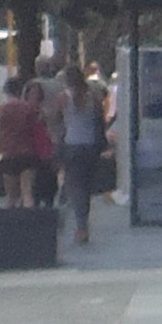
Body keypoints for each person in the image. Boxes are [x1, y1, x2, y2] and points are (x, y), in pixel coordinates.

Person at [56, 60, 110, 245]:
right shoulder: (93, 97)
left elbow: (57, 121)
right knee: (85, 187)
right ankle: (82, 223)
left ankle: (80, 226)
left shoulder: (64, 97)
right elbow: (100, 121)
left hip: (72, 145)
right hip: (90, 146)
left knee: (75, 186)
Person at [0, 70, 50, 212]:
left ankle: (10, 223)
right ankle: (30, 220)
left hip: (9, 155)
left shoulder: (0, 110)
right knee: (27, 194)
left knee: (11, 198)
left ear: (6, 91)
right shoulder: (28, 108)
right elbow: (37, 129)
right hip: (27, 153)